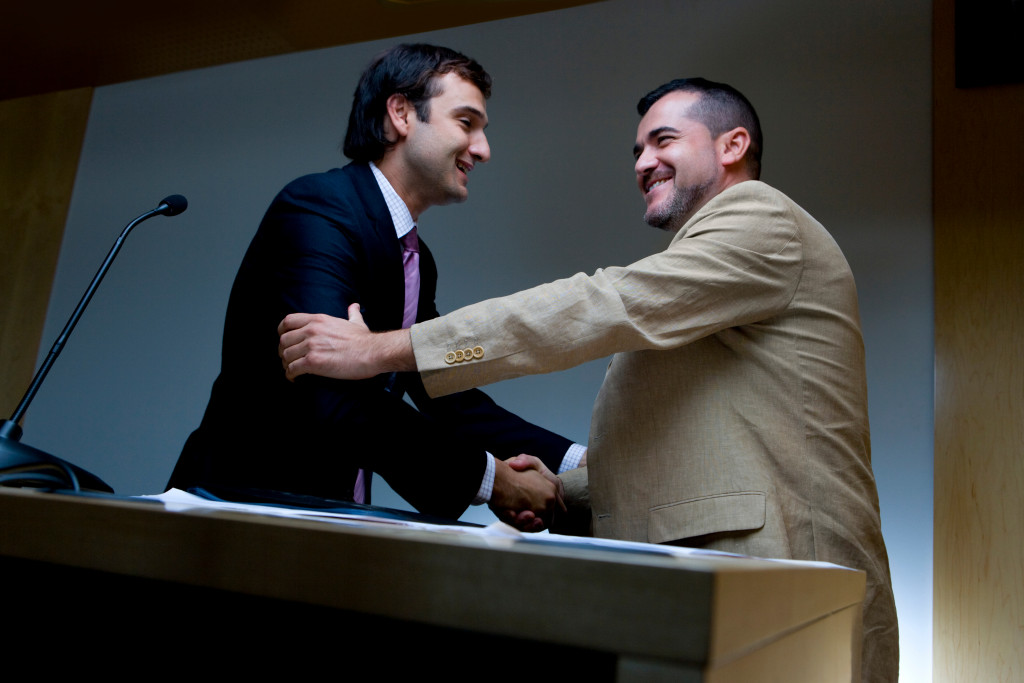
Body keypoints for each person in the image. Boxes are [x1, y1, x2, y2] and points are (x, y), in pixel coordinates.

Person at [277, 77, 899, 681]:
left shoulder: (761, 216)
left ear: (732, 146)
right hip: (719, 594)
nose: (643, 163)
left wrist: (381, 350)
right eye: (637, 151)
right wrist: (554, 491)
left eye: (663, 141)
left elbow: (602, 306)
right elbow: (685, 447)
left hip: (785, 584)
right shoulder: (705, 273)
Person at [168, 44, 584, 523]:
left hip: (329, 520)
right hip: (242, 514)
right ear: (402, 113)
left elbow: (446, 394)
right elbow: (328, 396)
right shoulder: (318, 208)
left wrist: (575, 461)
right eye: (467, 123)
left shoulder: (413, 256)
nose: (483, 149)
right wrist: (493, 480)